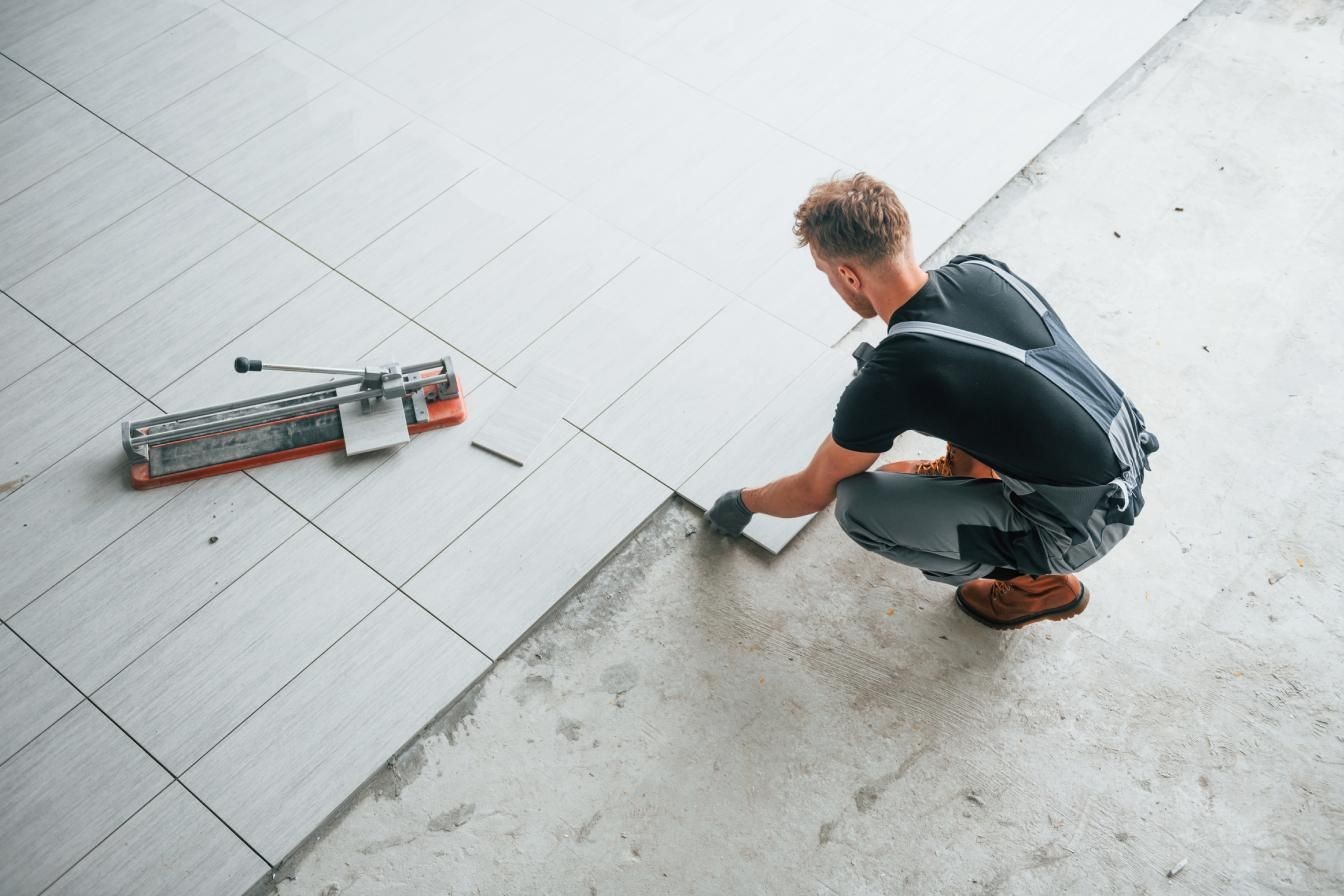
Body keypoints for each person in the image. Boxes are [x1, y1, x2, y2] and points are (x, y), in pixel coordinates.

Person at [706, 173, 1157, 629]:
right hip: (1126, 449)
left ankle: (1037, 583)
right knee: (964, 392)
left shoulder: (899, 373)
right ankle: (966, 478)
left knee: (859, 505)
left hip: (1080, 525)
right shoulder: (979, 271)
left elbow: (811, 490)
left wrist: (743, 502)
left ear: (848, 275)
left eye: (826, 274)